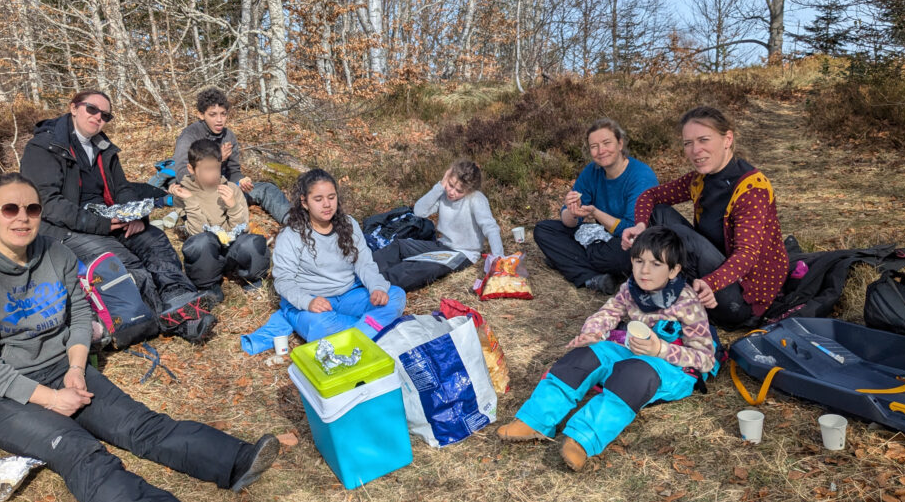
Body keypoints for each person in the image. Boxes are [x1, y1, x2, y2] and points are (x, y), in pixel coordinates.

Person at [0, 173, 280, 502]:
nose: (22, 218)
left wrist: (76, 369)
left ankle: (236, 460)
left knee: (140, 424)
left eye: (32, 208)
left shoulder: (56, 254)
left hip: (58, 368)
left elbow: (80, 315)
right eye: (10, 209)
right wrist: (51, 399)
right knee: (75, 448)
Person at [497, 226, 715, 472]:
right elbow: (609, 312)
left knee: (634, 375)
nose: (644, 270)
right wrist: (592, 333)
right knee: (583, 357)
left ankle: (582, 440)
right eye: (639, 261)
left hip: (670, 367)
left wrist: (660, 350)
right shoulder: (631, 288)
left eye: (656, 264)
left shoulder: (687, 303)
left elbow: (705, 359)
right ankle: (535, 420)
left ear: (674, 270)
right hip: (630, 350)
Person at [21, 89, 215, 343]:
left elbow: (122, 188)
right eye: (92, 109)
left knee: (154, 239)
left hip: (107, 218)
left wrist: (133, 215)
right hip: (65, 227)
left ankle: (178, 296)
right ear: (74, 108)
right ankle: (172, 320)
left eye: (105, 115)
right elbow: (47, 203)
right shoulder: (44, 147)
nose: (98, 117)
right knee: (123, 261)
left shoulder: (102, 146)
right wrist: (100, 224)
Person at [621, 106, 788, 330]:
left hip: (742, 300)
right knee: (658, 213)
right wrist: (640, 225)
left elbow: (747, 255)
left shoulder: (751, 188)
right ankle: (661, 288)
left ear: (727, 139)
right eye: (688, 143)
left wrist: (711, 282)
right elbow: (649, 196)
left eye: (703, 140)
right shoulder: (700, 179)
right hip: (709, 273)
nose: (695, 150)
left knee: (678, 236)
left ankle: (666, 294)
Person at [273, 169, 406, 342]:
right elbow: (283, 280)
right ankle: (371, 330)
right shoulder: (291, 235)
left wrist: (377, 287)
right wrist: (308, 302)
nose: (327, 204)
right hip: (314, 301)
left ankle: (355, 336)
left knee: (396, 296)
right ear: (305, 203)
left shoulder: (349, 224)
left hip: (349, 296)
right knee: (320, 325)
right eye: (318, 199)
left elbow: (364, 263)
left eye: (331, 197)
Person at [533, 119, 657, 293]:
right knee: (543, 229)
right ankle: (594, 276)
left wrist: (595, 213)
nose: (601, 151)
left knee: (622, 256)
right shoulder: (593, 171)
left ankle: (568, 261)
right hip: (602, 237)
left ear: (620, 144)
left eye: (607, 143)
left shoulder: (640, 176)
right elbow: (567, 220)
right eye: (594, 146)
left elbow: (631, 230)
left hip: (635, 241)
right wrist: (572, 212)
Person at [373, 159, 505, 291]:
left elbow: (490, 228)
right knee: (400, 246)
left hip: (463, 253)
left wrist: (499, 258)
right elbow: (419, 211)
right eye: (451, 185)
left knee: (419, 267)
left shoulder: (476, 199)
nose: (452, 192)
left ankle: (377, 286)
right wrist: (441, 185)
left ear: (469, 191)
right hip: (441, 245)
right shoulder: (443, 193)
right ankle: (364, 271)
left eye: (459, 191)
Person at [169, 86, 290, 223]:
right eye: (213, 115)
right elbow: (182, 175)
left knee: (267, 189)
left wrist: (241, 182)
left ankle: (294, 223)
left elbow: (234, 171)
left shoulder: (228, 136)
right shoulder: (189, 136)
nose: (219, 120)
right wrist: (217, 160)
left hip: (226, 190)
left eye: (223, 114)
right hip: (200, 194)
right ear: (201, 115)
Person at [177, 139, 271, 298]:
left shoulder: (231, 189)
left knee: (254, 242)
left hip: (232, 249)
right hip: (207, 256)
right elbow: (196, 233)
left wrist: (233, 206)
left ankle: (252, 279)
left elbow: (243, 229)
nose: (213, 174)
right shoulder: (184, 194)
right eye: (207, 169)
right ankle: (208, 286)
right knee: (199, 243)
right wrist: (191, 201)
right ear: (191, 169)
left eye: (216, 168)